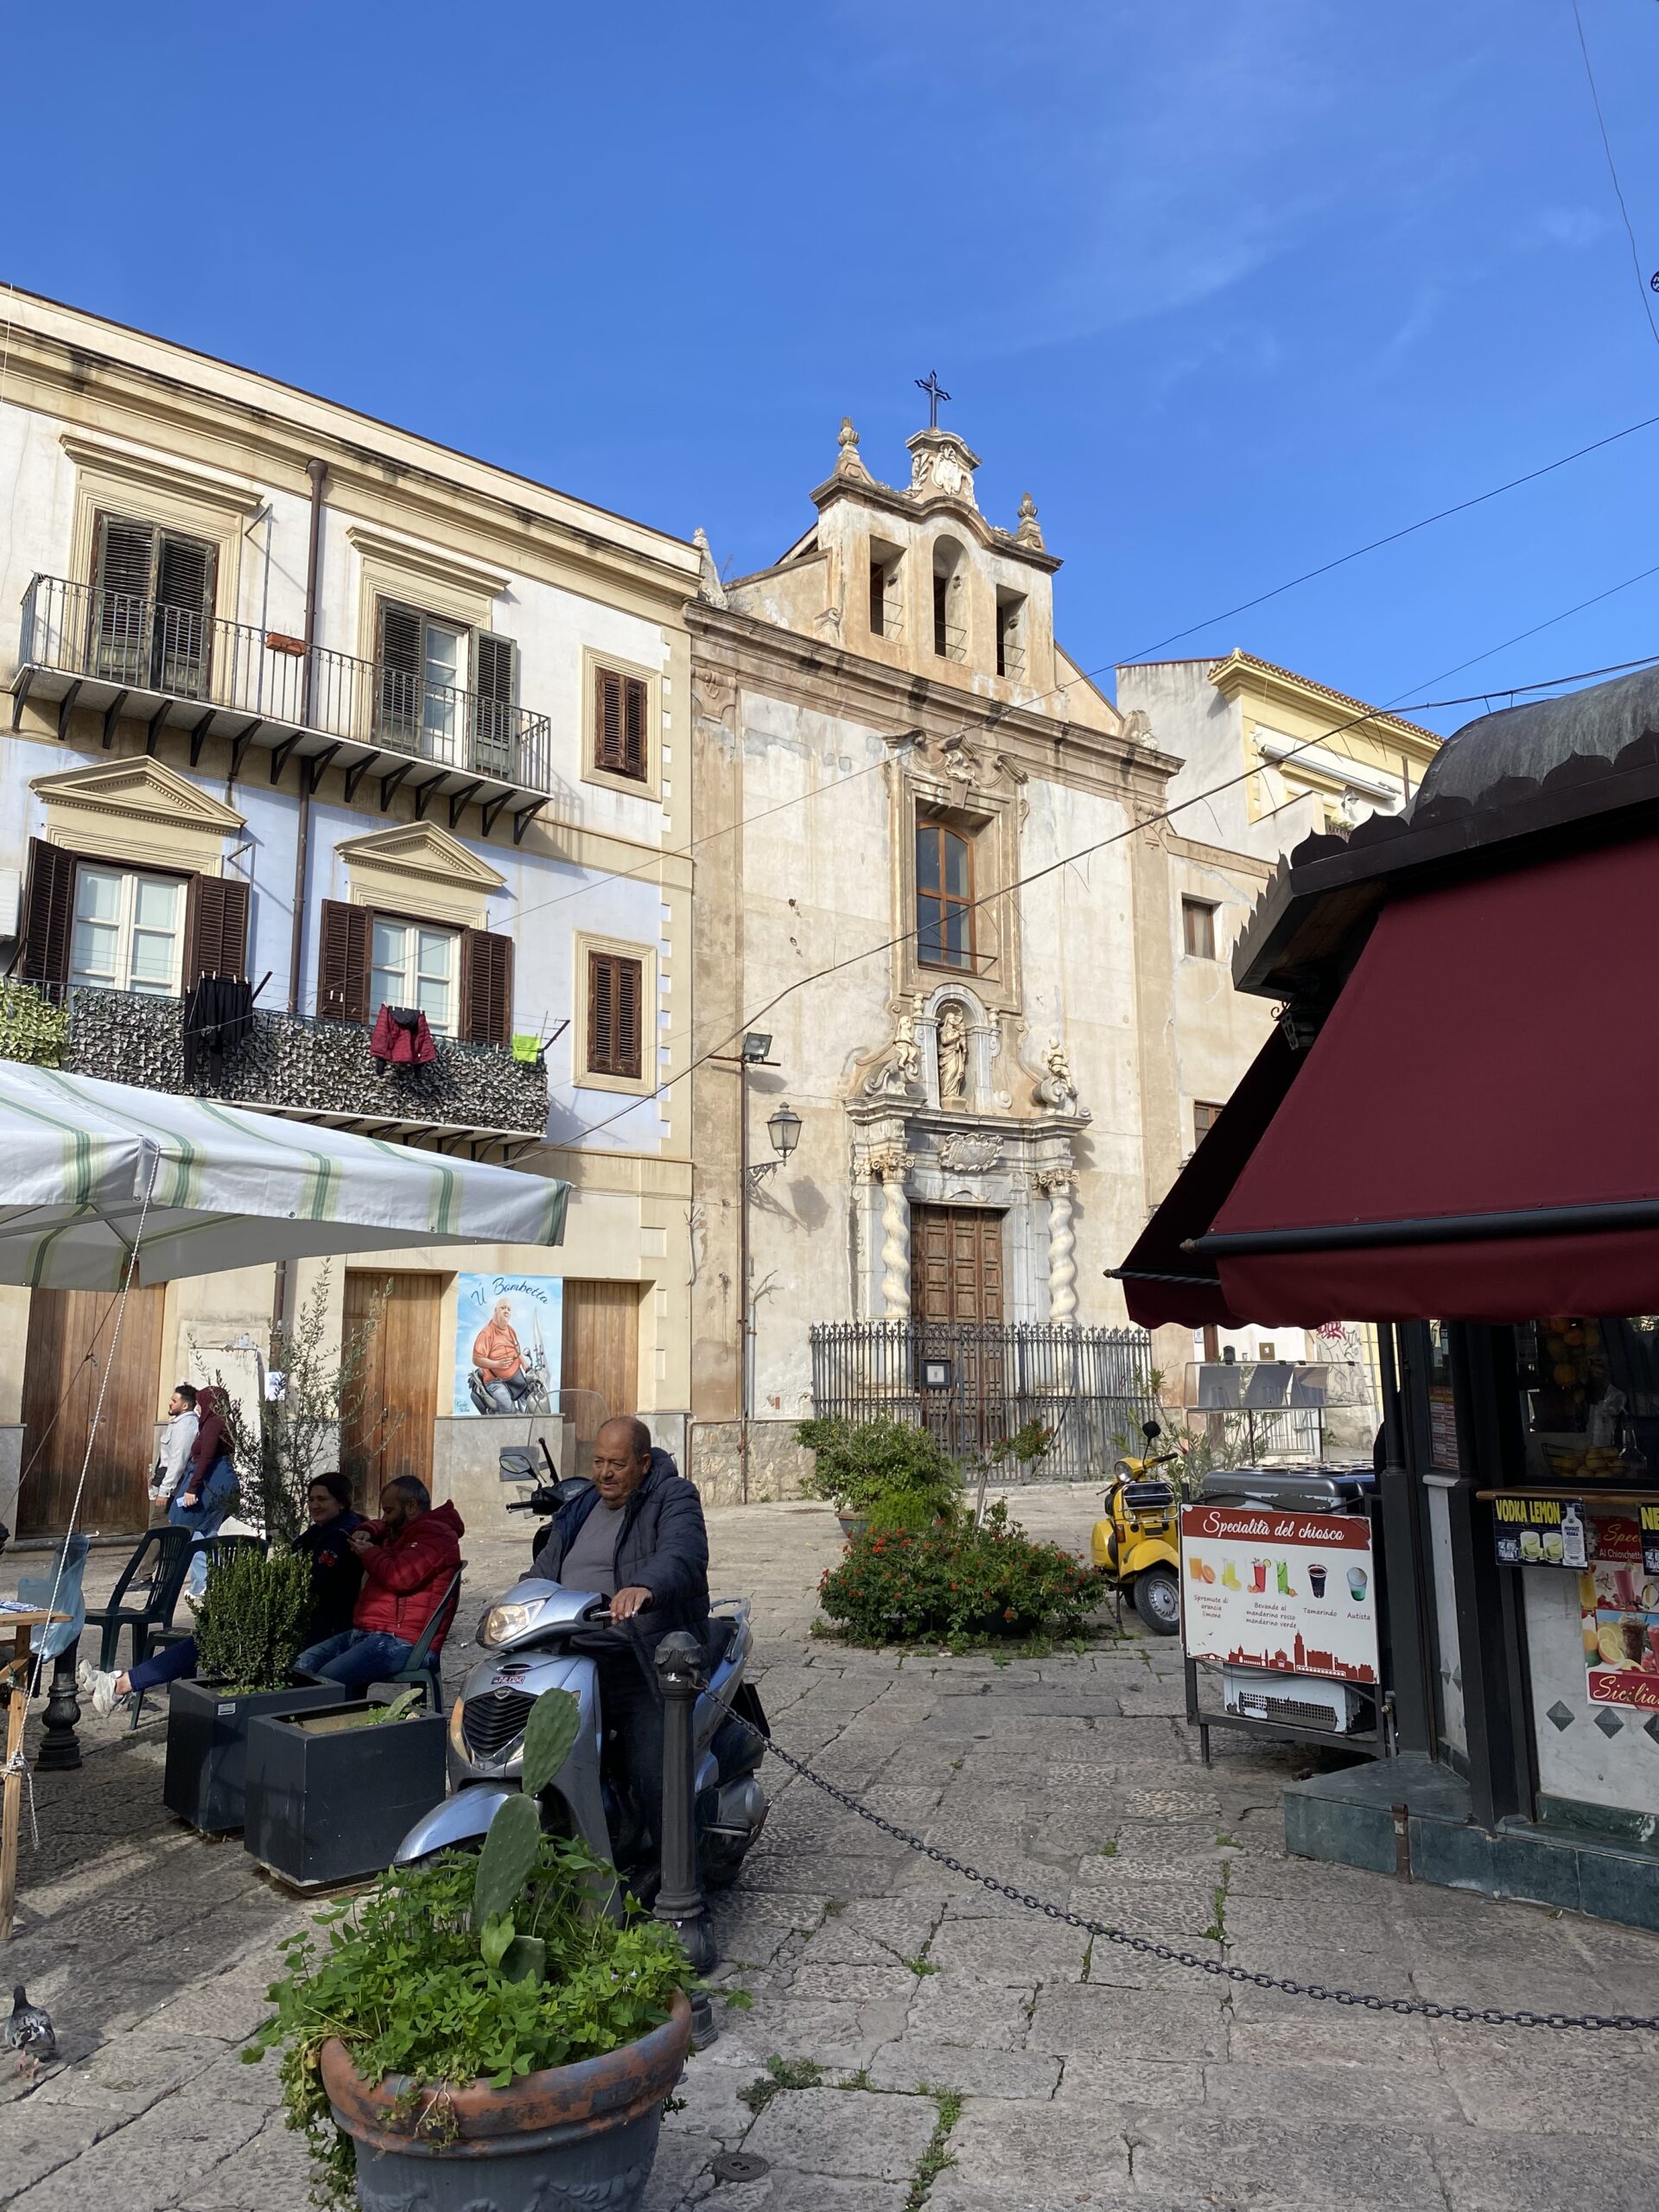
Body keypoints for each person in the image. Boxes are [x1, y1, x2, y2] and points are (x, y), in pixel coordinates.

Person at [531, 1417, 709, 1860]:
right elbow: (543, 1569)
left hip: (641, 1655)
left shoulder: (674, 1496)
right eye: (598, 1462)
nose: (605, 1473)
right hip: (574, 1654)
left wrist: (645, 1587)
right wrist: (518, 1601)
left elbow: (684, 1553)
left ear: (643, 1464)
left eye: (617, 1463)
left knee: (655, 1772)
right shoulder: (579, 1508)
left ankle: (681, 1881)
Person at [79, 1472, 368, 1715]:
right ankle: (121, 1684)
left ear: (341, 1502)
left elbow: (309, 1582)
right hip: (296, 1618)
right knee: (211, 1636)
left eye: (323, 1499)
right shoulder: (322, 1530)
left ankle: (120, 1685)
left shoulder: (339, 1535)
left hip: (318, 1627)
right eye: (311, 1499)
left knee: (212, 1639)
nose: (315, 1505)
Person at [295, 1475, 463, 1692]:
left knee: (330, 1679)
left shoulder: (436, 1536)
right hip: (370, 1632)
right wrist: (369, 1529)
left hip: (403, 1641)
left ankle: (346, 1714)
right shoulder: (403, 1530)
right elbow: (381, 1524)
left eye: (389, 1511)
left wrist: (370, 1553)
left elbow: (400, 1577)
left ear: (411, 1506)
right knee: (302, 1665)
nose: (385, 1517)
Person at [172, 1385, 241, 1594]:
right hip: (222, 1482)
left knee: (197, 1532)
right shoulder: (225, 1422)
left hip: (211, 1483)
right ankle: (213, 1581)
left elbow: (206, 1458)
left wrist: (192, 1488)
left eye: (201, 1403)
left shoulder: (213, 1424)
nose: (198, 1408)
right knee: (208, 1531)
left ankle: (203, 1584)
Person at [472, 1295, 532, 1411]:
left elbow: (517, 1350)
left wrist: (525, 1365)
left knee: (527, 1402)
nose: (506, 1311)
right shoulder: (486, 1334)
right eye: (503, 1308)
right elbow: (476, 1359)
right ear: (495, 1310)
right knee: (508, 1409)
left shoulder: (511, 1330)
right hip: (495, 1381)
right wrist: (497, 1364)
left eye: (509, 1309)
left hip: (516, 1377)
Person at [149, 1383, 199, 1512]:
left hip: (173, 1487)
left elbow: (178, 1460)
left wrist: (165, 1490)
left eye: (174, 1401)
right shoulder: (177, 1423)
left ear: (185, 1406)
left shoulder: (185, 1426)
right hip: (163, 1478)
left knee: (160, 1521)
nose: (170, 1403)